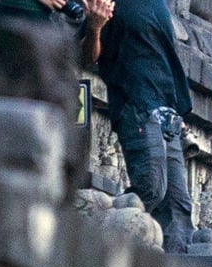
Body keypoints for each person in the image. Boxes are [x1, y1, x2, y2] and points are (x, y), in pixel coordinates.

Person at [80, 0, 196, 253]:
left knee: (178, 209)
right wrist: (95, 27)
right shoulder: (106, 2)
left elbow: (165, 61)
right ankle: (98, 242)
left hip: (168, 113)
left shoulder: (158, 4)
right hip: (137, 107)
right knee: (151, 186)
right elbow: (84, 56)